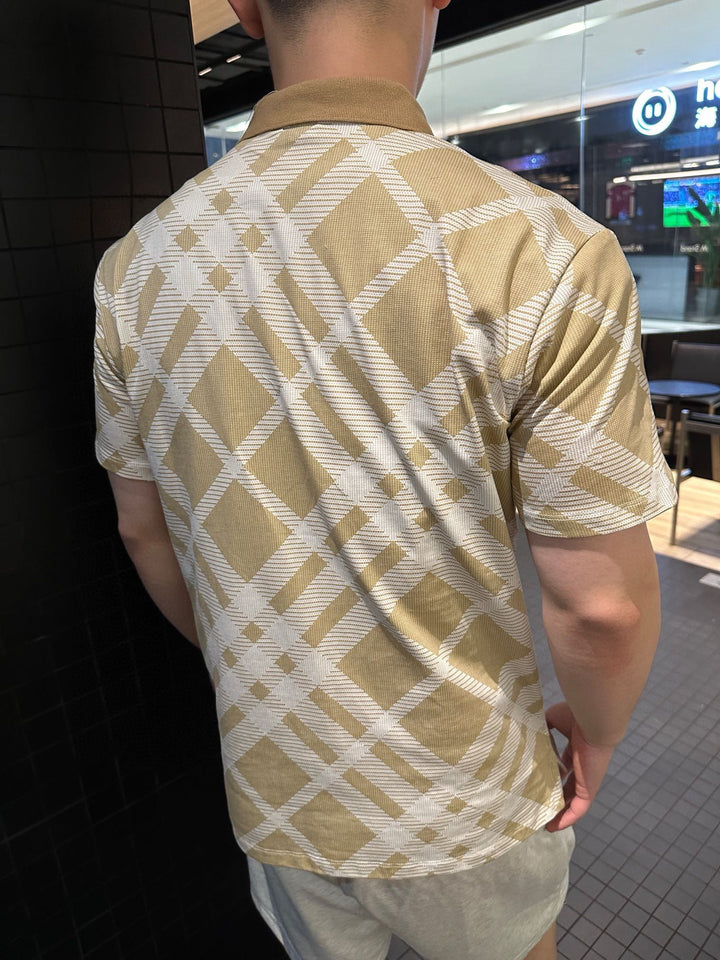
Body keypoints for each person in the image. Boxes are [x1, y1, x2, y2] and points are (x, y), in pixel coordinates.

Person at [92, 1, 677, 958]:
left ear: (244, 5)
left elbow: (143, 531)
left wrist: (260, 668)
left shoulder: (135, 270)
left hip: (281, 779)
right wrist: (598, 734)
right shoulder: (544, 248)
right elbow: (600, 603)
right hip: (469, 787)